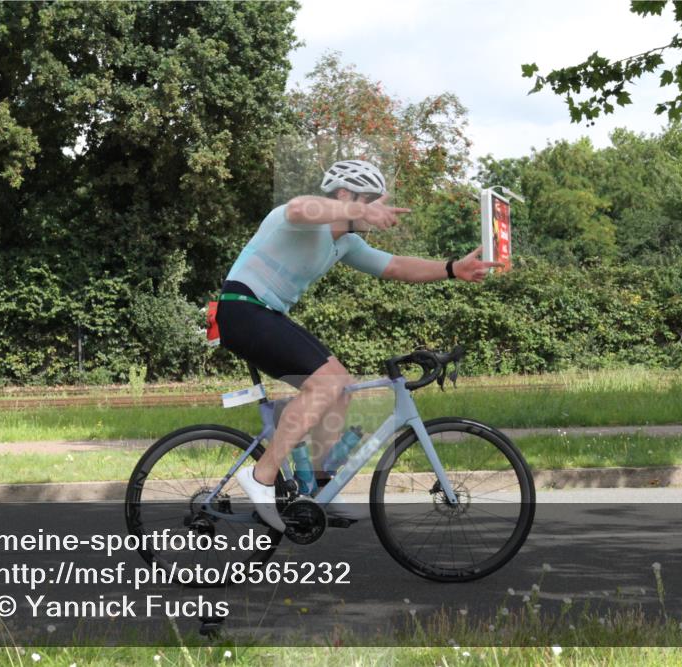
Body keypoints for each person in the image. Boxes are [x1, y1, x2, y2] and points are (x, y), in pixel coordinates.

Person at [216, 159, 503, 531]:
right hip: (242, 308)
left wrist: (452, 269)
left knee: (340, 387)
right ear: (344, 195)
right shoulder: (301, 218)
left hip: (266, 313)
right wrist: (360, 209)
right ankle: (262, 475)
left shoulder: (345, 243)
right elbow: (302, 207)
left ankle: (316, 489)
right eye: (371, 200)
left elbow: (397, 266)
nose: (376, 209)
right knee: (327, 383)